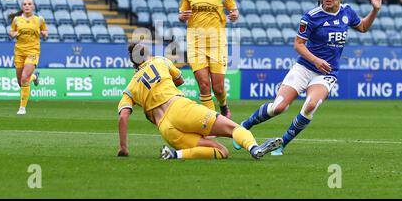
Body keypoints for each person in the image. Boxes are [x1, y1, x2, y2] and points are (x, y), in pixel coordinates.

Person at [234, 0, 384, 155]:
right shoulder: (311, 17)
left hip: (327, 73)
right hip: (304, 68)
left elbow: (363, 27)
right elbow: (298, 45)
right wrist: (316, 60)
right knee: (278, 107)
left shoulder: (347, 12)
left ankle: (282, 143)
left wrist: (375, 10)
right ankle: (244, 126)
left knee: (311, 105)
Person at [117, 42, 282, 160]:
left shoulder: (130, 87)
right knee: (233, 128)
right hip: (179, 109)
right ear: (148, 54)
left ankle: (175, 155)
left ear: (133, 63)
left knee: (221, 151)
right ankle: (254, 148)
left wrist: (124, 148)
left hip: (166, 129)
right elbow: (180, 80)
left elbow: (123, 116)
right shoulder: (160, 61)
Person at [178, 0, 239, 118]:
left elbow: (234, 11)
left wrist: (234, 16)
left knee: (218, 88)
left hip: (217, 44)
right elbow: (181, 14)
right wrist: (182, 17)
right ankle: (212, 122)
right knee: (204, 85)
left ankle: (223, 106)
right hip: (195, 44)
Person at [8, 0, 48, 115]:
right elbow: (11, 33)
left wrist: (43, 34)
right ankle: (34, 77)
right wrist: (14, 34)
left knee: (25, 77)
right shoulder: (16, 20)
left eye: (29, 4)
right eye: (24, 4)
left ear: (33, 6)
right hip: (19, 52)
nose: (27, 6)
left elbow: (45, 32)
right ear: (22, 7)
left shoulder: (39, 20)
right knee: (21, 82)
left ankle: (22, 108)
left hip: (33, 51)